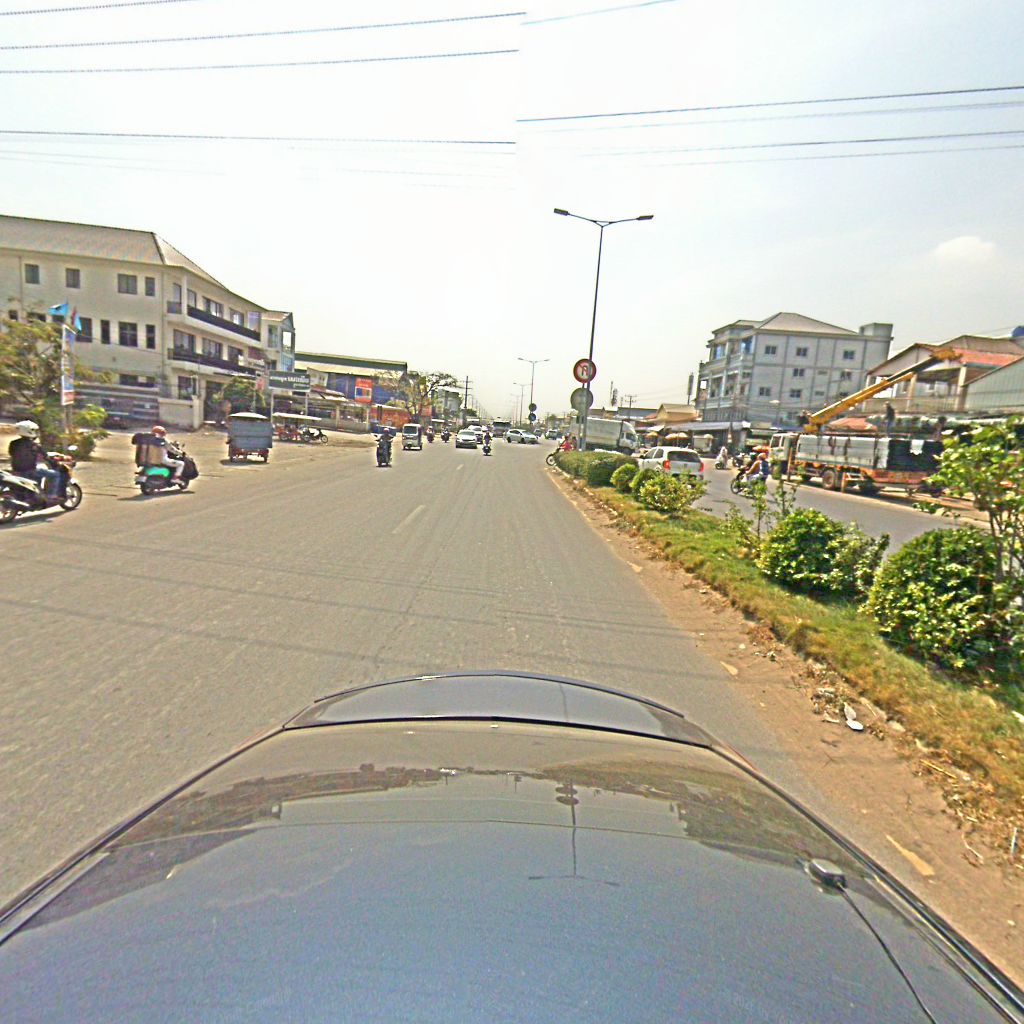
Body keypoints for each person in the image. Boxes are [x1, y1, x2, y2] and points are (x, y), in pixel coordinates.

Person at [8, 420, 60, 498]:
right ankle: (51, 495)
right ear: (29, 430)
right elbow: (45, 456)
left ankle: (37, 493)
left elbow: (11, 453)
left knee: (39, 473)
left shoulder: (13, 443)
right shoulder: (34, 445)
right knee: (55, 474)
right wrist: (53, 460)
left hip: (16, 471)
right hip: (30, 471)